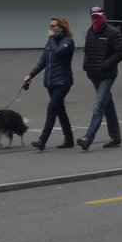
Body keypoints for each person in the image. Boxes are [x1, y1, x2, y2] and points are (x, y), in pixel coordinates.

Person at [76, 5, 122, 151]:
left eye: (98, 16)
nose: (95, 19)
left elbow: (120, 53)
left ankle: (88, 138)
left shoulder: (113, 32)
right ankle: (115, 137)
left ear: (103, 16)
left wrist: (105, 65)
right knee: (107, 105)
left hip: (107, 75)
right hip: (93, 75)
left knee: (98, 107)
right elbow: (87, 51)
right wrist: (86, 66)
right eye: (93, 17)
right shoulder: (90, 32)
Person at [23, 16, 76, 151]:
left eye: (54, 26)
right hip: (50, 82)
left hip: (63, 82)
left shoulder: (68, 41)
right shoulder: (50, 42)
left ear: (62, 27)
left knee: (51, 109)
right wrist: (31, 75)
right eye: (50, 26)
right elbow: (43, 61)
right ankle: (69, 139)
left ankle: (42, 140)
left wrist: (51, 38)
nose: (51, 29)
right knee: (60, 111)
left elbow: (58, 53)